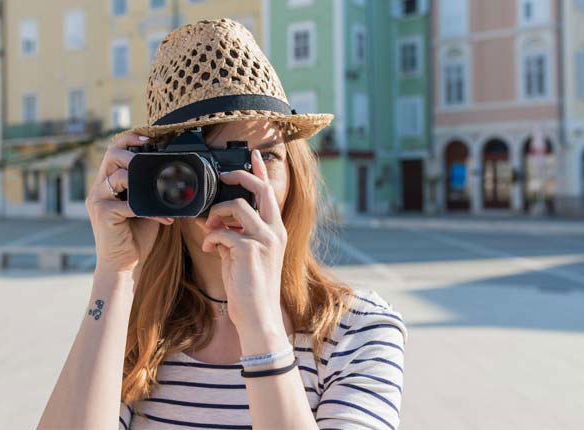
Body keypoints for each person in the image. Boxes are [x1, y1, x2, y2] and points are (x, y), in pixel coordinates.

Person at [38, 19, 407, 430]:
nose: (242, 183)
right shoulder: (131, 334)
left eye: (265, 156)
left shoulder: (359, 333)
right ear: (158, 178)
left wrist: (260, 323)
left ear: (295, 173)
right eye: (209, 165)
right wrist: (115, 273)